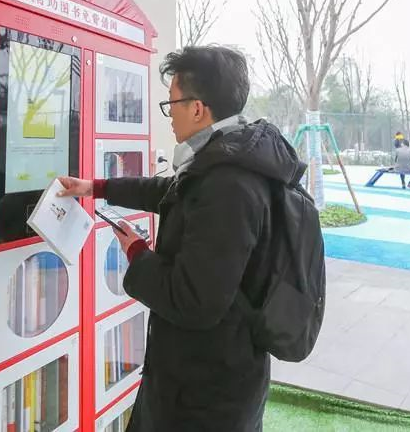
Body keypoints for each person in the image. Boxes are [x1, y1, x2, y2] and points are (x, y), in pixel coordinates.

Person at [57, 45, 302, 431]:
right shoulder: (230, 160)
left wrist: (137, 252)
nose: (169, 115)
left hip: (205, 396)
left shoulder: (228, 184)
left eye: (171, 103)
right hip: (211, 377)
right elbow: (171, 191)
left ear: (198, 108)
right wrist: (96, 186)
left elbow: (193, 302)